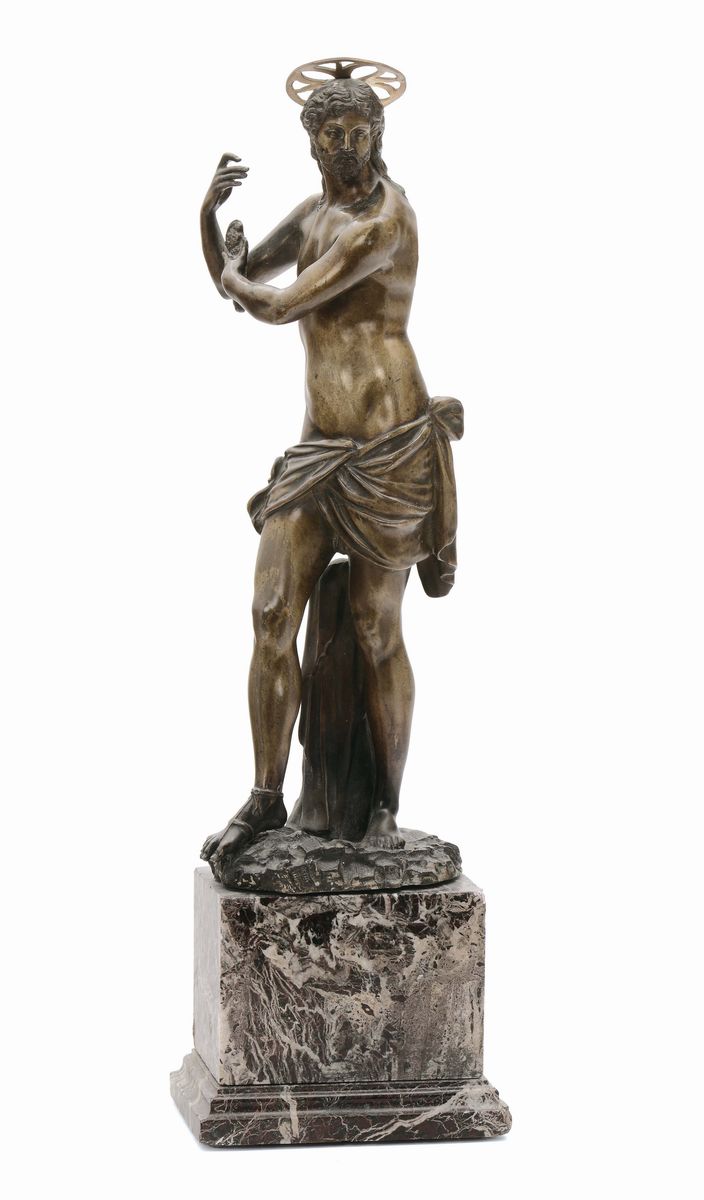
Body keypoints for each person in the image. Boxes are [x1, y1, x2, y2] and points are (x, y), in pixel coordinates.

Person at [199, 78, 462, 876]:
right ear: (312, 141)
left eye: (357, 131)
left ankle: (383, 808)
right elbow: (243, 273)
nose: (345, 146)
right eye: (331, 133)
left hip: (388, 451)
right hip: (318, 450)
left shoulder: (386, 219)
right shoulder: (314, 215)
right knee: (271, 610)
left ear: (376, 135)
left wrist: (237, 280)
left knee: (378, 628)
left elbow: (276, 303)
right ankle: (264, 797)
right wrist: (207, 221)